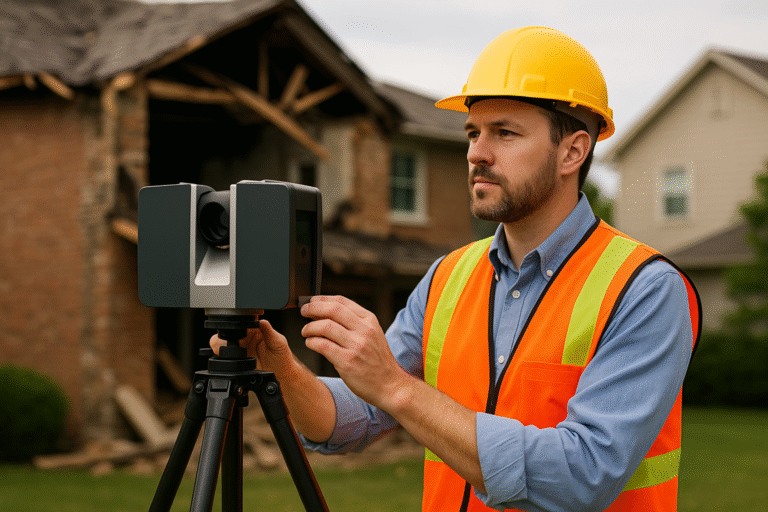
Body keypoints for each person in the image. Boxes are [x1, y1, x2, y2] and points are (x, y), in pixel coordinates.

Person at [211, 26, 701, 512]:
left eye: (504, 133)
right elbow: (347, 422)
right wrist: (277, 360)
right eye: (473, 133)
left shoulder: (646, 289)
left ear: (573, 151)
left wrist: (394, 386)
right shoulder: (449, 276)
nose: (476, 153)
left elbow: (582, 476)